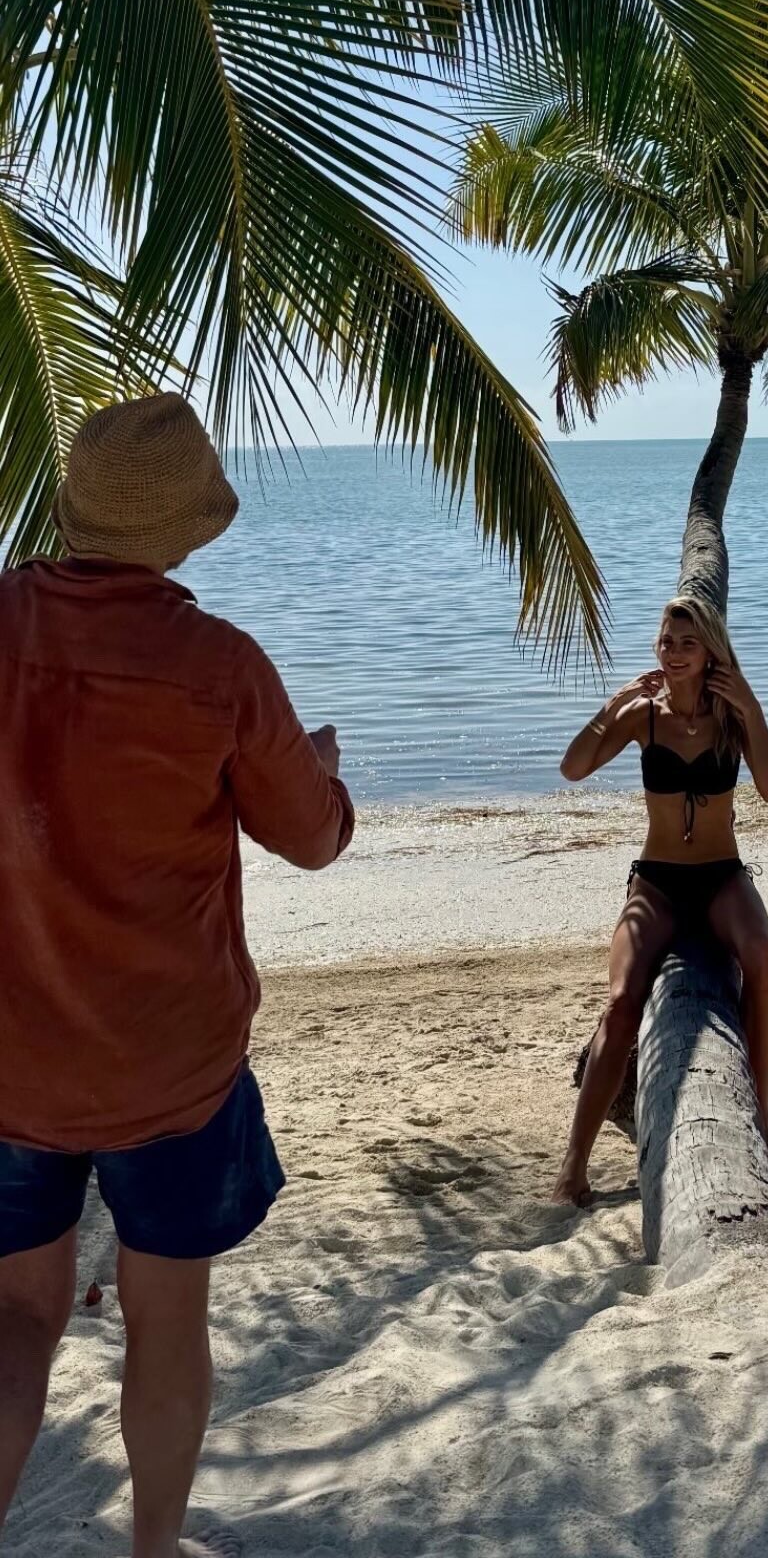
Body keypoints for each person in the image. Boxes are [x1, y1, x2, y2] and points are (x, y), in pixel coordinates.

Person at [0, 394, 355, 1558]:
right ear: (186, 530)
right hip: (169, 1068)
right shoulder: (220, 666)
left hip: (12, 1061)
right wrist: (319, 772)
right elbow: (312, 838)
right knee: (166, 1316)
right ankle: (153, 1546)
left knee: (15, 1316)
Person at [552, 595, 768, 1208]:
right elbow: (573, 768)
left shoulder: (731, 715)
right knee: (621, 1003)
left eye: (687, 642)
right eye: (666, 641)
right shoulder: (644, 717)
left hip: (721, 878)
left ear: (710, 651)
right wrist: (611, 707)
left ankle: (760, 1120)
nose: (674, 653)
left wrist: (753, 708)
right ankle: (574, 1162)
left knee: (761, 960)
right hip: (656, 883)